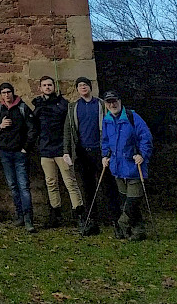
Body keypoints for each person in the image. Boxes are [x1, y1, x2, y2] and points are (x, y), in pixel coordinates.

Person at [64, 76, 115, 236]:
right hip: (83, 153)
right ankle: (91, 221)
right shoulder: (73, 107)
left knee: (108, 186)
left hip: (101, 152)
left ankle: (115, 220)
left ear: (90, 87)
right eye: (80, 86)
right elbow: (68, 130)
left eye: (85, 85)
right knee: (88, 188)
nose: (83, 87)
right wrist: (66, 151)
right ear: (77, 89)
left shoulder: (101, 105)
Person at [100, 91, 154, 241]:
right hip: (117, 168)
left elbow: (146, 137)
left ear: (120, 101)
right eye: (109, 102)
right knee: (126, 201)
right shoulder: (107, 120)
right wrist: (105, 155)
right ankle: (138, 231)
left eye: (114, 101)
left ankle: (122, 224)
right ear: (106, 104)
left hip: (134, 167)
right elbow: (105, 140)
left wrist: (142, 154)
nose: (112, 104)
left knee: (133, 200)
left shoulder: (132, 117)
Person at [33, 76, 84, 229]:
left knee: (70, 181)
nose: (47, 87)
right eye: (44, 85)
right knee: (51, 182)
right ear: (40, 88)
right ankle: (55, 214)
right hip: (45, 149)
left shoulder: (63, 104)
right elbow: (35, 126)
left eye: (50, 85)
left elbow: (69, 126)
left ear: (54, 87)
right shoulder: (38, 105)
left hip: (62, 150)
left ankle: (79, 213)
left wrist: (67, 149)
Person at [0, 81, 38, 232]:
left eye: (8, 92)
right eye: (3, 93)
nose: (6, 95)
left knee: (23, 186)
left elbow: (32, 129)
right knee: (13, 186)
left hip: (20, 152)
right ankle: (19, 215)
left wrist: (26, 148)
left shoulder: (22, 108)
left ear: (13, 93)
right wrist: (0, 126)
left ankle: (28, 219)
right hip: (5, 152)